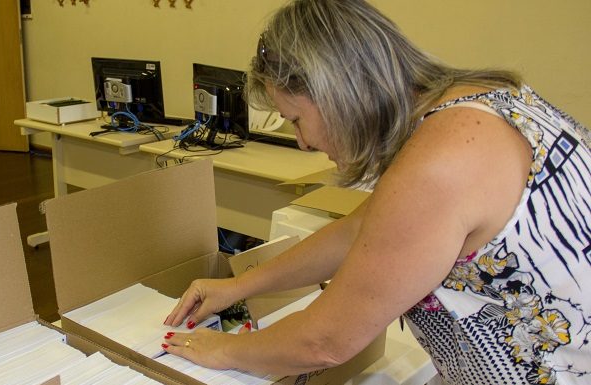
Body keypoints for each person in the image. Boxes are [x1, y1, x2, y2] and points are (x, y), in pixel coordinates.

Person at [162, 1, 591, 384]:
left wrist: (222, 349)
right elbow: (361, 230)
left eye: (295, 120)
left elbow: (324, 342)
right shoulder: (472, 104)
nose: (304, 143)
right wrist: (239, 287)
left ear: (336, 94)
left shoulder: (443, 161)